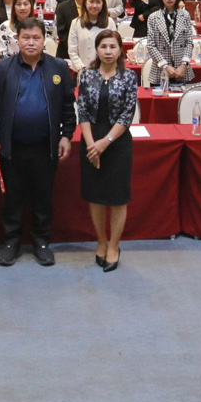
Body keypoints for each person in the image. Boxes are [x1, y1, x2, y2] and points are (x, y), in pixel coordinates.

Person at [0, 18, 75, 268]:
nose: (31, 42)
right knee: (13, 197)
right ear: (17, 40)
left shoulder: (58, 67)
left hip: (46, 145)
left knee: (43, 196)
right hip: (12, 146)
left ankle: (41, 242)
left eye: (36, 38)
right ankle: (11, 242)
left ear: (45, 40)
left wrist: (66, 135)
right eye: (26, 38)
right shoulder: (3, 68)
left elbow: (68, 106)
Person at [76, 27, 138, 272]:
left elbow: (127, 114)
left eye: (113, 46)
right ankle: (101, 241)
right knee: (96, 196)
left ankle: (114, 245)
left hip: (117, 142)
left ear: (120, 50)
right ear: (97, 50)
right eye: (103, 46)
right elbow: (82, 110)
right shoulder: (87, 75)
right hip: (91, 140)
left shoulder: (129, 77)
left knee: (117, 198)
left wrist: (105, 142)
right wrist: (92, 144)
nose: (108, 51)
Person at [143, 0, 196, 85]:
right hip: (160, 71)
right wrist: (165, 66)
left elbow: (189, 42)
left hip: (182, 71)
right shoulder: (153, 17)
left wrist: (184, 65)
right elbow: (151, 45)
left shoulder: (185, 15)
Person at [66, 0, 117, 69]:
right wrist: (82, 69)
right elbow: (72, 51)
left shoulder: (110, 22)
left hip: (105, 70)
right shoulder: (76, 23)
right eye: (91, 2)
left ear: (103, 4)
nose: (94, 6)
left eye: (98, 2)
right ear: (85, 3)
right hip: (81, 70)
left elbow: (114, 48)